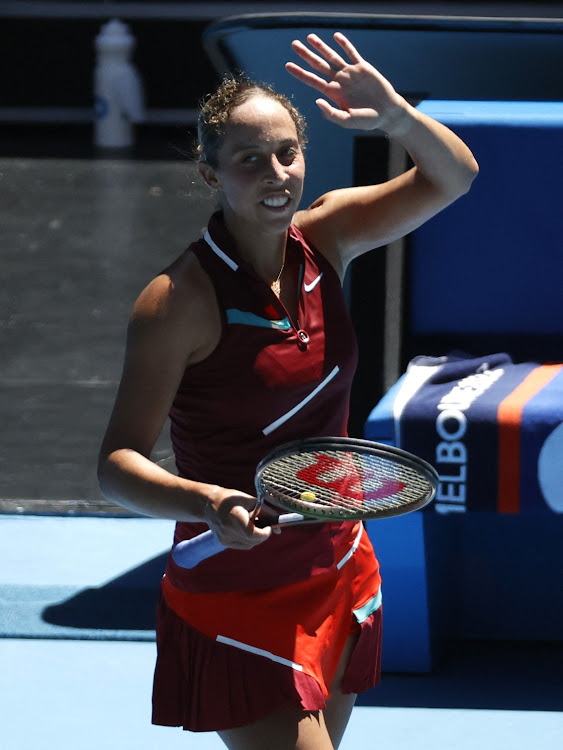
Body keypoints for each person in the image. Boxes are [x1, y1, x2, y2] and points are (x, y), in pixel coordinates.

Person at [98, 32, 478, 750]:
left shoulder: (327, 237)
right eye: (248, 160)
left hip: (335, 563)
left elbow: (452, 177)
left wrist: (395, 114)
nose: (275, 174)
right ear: (210, 175)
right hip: (234, 588)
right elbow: (115, 463)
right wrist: (208, 502)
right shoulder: (176, 302)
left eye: (286, 153)